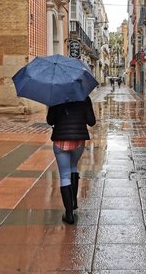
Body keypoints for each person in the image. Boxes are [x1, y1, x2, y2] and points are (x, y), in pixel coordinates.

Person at [46, 96, 96, 224]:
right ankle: (73, 202)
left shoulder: (56, 97)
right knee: (73, 166)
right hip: (78, 141)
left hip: (61, 141)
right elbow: (91, 121)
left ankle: (69, 214)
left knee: (64, 176)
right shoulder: (84, 97)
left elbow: (50, 121)